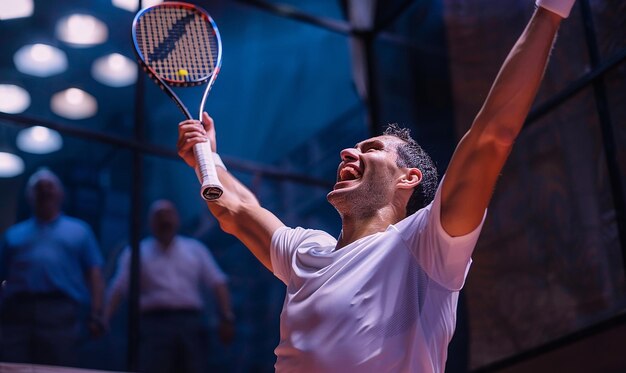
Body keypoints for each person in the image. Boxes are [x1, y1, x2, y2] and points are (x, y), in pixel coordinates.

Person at [176, 0, 576, 371]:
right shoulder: (306, 252)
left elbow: (491, 137)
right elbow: (238, 210)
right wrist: (207, 158)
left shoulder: (425, 247)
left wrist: (549, 11)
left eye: (371, 148)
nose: (348, 153)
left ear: (409, 177)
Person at [104, 199, 235, 373]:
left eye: (169, 215)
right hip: (153, 325)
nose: (165, 221)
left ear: (177, 220)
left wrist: (226, 317)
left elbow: (218, 282)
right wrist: (104, 318)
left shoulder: (195, 249)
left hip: (190, 324)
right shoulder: (137, 252)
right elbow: (119, 287)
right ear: (150, 222)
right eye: (159, 216)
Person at [0, 168, 105, 367]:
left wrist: (96, 313)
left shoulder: (79, 231)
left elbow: (94, 274)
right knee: (12, 367)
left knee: (57, 367)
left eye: (50, 187)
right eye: (39, 187)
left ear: (61, 193)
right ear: (30, 195)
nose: (45, 191)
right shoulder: (13, 235)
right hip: (16, 313)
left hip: (60, 314)